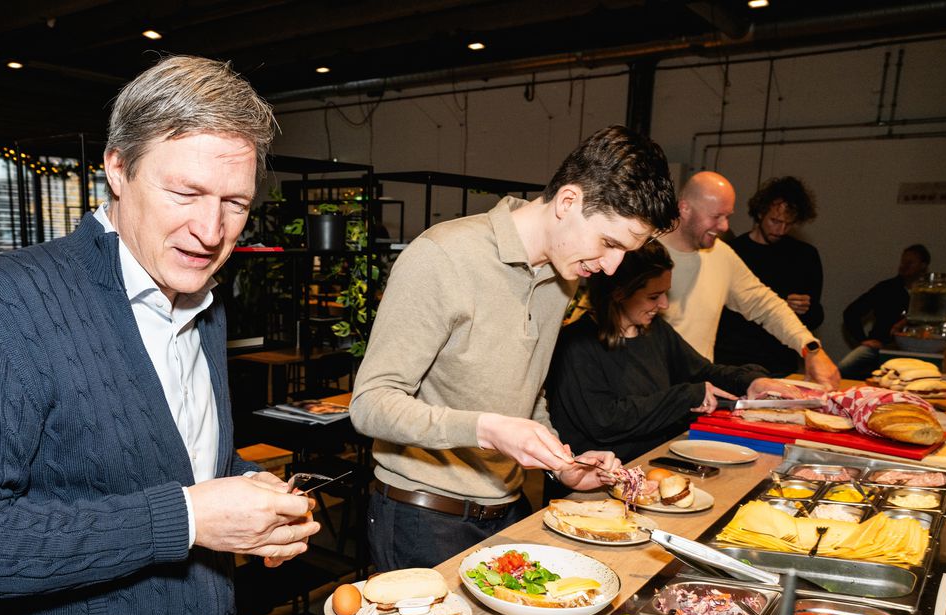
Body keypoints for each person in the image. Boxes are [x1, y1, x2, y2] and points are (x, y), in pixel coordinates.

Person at [0, 56, 320, 615]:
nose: (211, 232)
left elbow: (155, 466)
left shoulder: (202, 299)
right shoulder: (0, 305)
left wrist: (239, 486)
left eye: (234, 203)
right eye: (186, 193)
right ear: (118, 168)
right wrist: (188, 518)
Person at [350, 125, 680, 570]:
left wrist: (561, 462)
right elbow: (370, 405)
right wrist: (487, 430)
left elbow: (528, 388)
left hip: (508, 511)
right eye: (610, 243)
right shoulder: (442, 257)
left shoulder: (564, 276)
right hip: (423, 518)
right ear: (568, 202)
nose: (611, 266)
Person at [545, 241, 801, 497]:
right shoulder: (576, 344)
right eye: (654, 296)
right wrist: (687, 396)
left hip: (649, 471)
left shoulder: (654, 331)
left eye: (666, 293)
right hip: (589, 489)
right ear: (620, 293)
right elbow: (606, 421)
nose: (665, 304)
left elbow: (701, 373)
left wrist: (750, 382)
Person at [658, 171, 840, 389]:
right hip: (652, 397)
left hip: (697, 395)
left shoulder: (722, 255)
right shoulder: (644, 251)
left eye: (728, 217)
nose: (725, 227)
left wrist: (810, 348)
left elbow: (765, 305)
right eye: (716, 217)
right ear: (684, 208)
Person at [715, 176, 824, 376]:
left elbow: (816, 317)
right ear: (760, 213)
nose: (780, 230)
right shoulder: (732, 252)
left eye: (788, 224)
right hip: (732, 361)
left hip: (779, 363)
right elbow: (718, 313)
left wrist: (804, 310)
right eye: (775, 221)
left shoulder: (805, 255)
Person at [837, 244, 931, 379]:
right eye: (903, 262)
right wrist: (863, 339)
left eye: (910, 263)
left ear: (923, 266)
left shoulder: (931, 294)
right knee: (842, 368)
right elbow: (851, 312)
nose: (904, 266)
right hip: (882, 346)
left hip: (919, 349)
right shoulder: (886, 288)